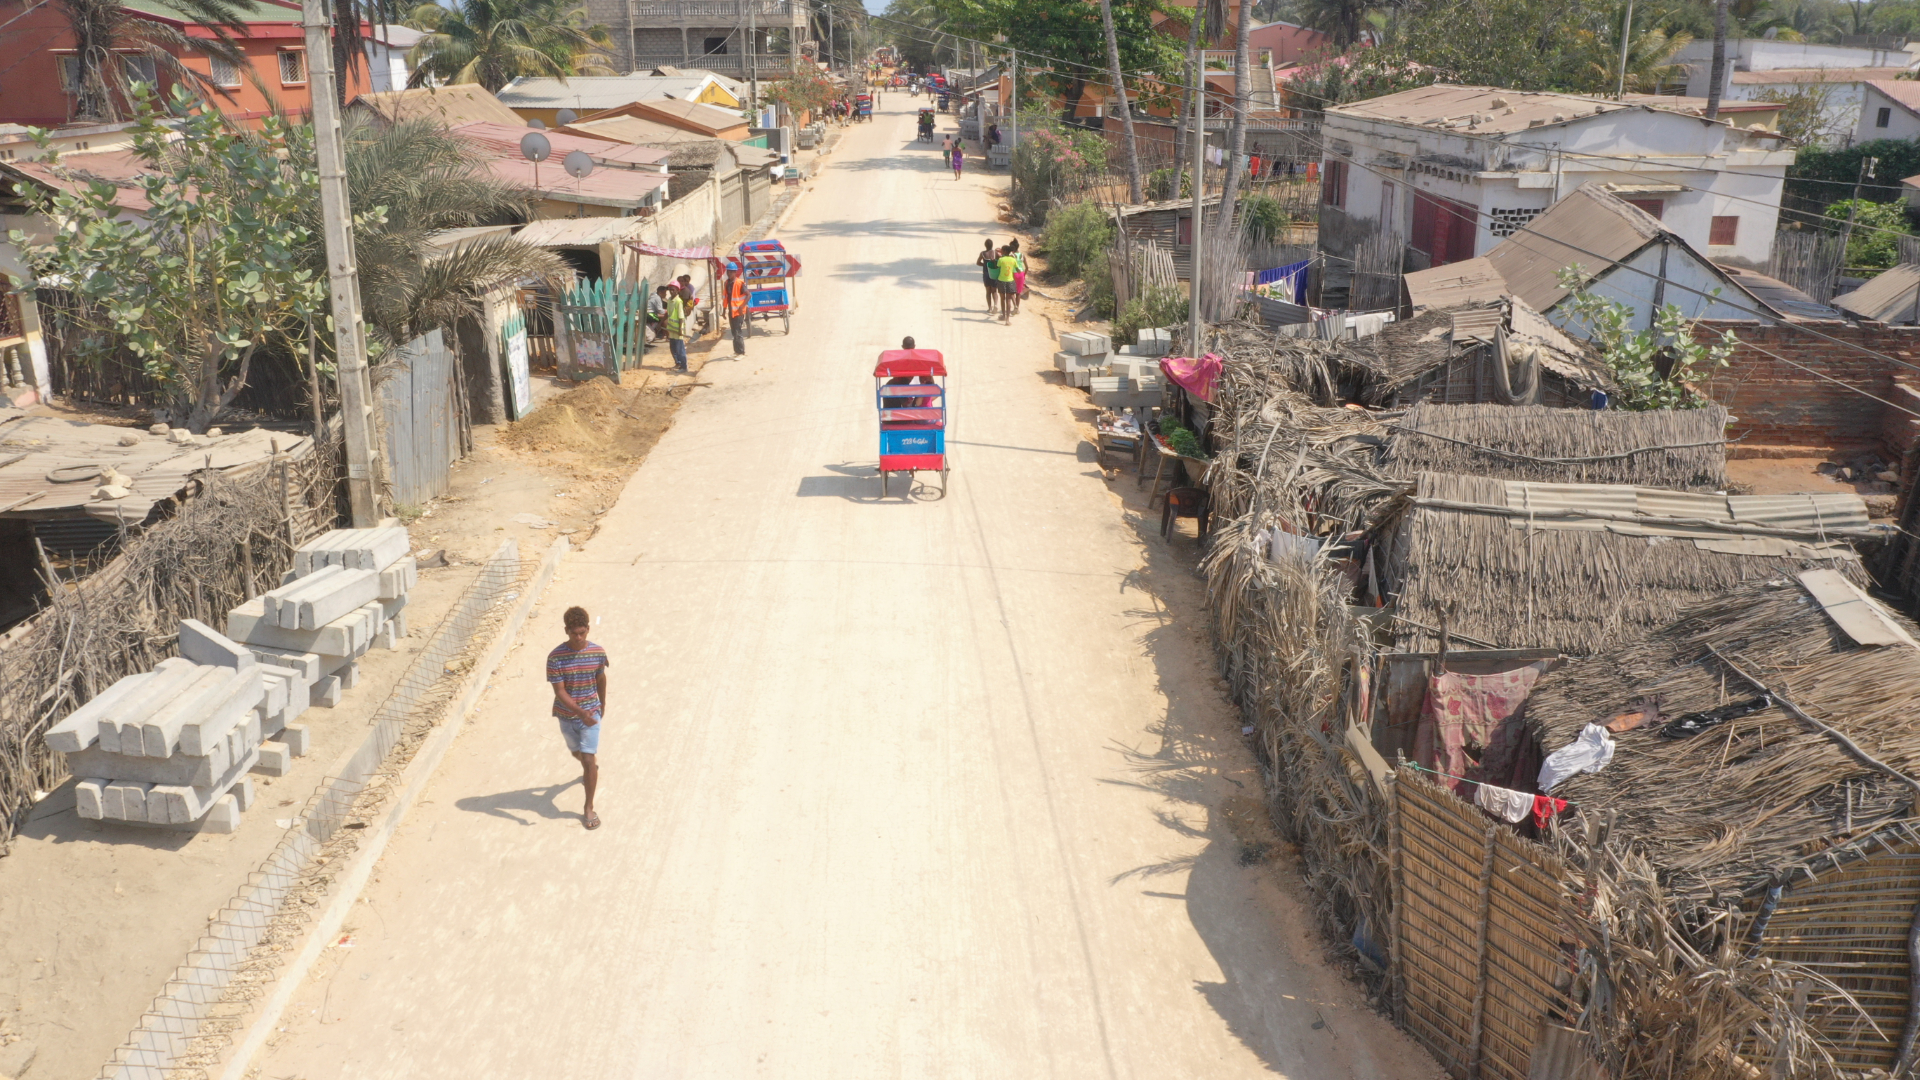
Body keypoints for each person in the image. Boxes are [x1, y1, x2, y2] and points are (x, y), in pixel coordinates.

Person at [548, 606, 609, 831]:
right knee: (577, 753)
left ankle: (588, 807)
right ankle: (588, 767)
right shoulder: (555, 658)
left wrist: (601, 705)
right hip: (566, 717)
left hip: (591, 714)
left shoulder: (598, 652)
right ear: (566, 631)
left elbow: (601, 678)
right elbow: (560, 692)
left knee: (588, 759)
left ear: (588, 629)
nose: (579, 637)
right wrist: (579, 712)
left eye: (582, 632)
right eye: (574, 633)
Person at [723, 263, 749, 356]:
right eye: (727, 271)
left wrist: (742, 306)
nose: (728, 273)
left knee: (738, 332)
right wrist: (724, 310)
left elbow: (749, 295)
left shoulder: (739, 283)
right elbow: (726, 297)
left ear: (735, 272)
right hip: (731, 311)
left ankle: (741, 352)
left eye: (730, 271)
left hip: (739, 312)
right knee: (734, 332)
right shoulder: (726, 283)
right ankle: (736, 351)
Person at [663, 286, 689, 372]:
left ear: (677, 291)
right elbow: (667, 314)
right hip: (671, 328)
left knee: (680, 348)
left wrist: (680, 330)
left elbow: (681, 317)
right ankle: (677, 363)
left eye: (673, 290)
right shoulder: (670, 300)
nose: (671, 291)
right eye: (670, 290)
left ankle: (683, 366)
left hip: (677, 329)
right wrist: (661, 323)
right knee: (673, 348)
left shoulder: (678, 301)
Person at [993, 244, 1018, 323]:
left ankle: (1003, 315)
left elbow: (997, 267)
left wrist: (994, 261)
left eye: (1002, 250)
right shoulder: (1013, 260)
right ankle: (1007, 319)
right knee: (1008, 301)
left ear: (1005, 251)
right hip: (1010, 281)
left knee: (1002, 299)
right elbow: (1017, 268)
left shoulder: (1001, 259)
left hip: (1001, 281)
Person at [976, 238, 999, 316]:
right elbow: (1000, 261)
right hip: (994, 274)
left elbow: (978, 263)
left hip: (986, 274)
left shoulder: (982, 253)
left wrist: (985, 265)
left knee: (988, 292)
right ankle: (996, 304)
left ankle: (989, 308)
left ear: (985, 246)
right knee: (994, 291)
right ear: (992, 245)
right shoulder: (995, 253)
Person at [1009, 238, 1028, 317]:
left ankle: (1015, 307)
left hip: (1013, 273)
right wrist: (1024, 275)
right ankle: (1017, 307)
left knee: (1011, 292)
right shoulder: (1022, 255)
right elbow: (1027, 267)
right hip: (1021, 274)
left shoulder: (1011, 255)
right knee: (1018, 293)